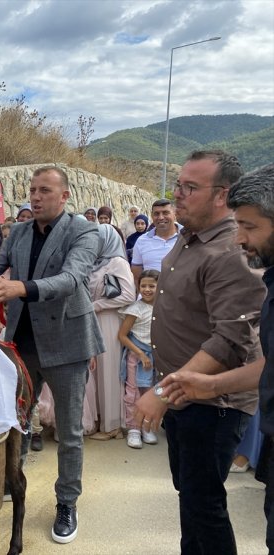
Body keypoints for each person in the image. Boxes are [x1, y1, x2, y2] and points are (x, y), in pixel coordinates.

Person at [134, 151, 266, 554]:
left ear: (222, 195)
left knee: (203, 503)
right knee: (191, 497)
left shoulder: (229, 250)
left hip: (212, 403)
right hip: (183, 395)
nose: (178, 194)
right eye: (178, 185)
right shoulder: (190, 238)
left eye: (190, 188)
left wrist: (161, 392)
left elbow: (229, 341)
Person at [0, 166, 103, 544]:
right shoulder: (17, 232)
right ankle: (12, 480)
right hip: (22, 346)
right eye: (33, 190)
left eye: (45, 190)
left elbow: (71, 279)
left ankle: (67, 501)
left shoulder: (83, 231)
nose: (36, 197)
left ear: (65, 196)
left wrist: (21, 287)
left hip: (68, 343)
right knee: (16, 421)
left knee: (68, 432)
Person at [86, 223, 135, 439]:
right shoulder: (94, 263)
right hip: (91, 321)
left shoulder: (118, 262)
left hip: (108, 321)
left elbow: (128, 295)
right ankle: (97, 419)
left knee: (108, 371)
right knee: (94, 373)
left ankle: (112, 426)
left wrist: (97, 305)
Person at [118, 269, 160, 449]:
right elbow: (122, 335)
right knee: (133, 392)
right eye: (143, 285)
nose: (147, 289)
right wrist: (141, 354)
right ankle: (133, 428)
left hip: (155, 357)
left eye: (152, 285)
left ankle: (147, 426)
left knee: (151, 392)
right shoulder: (136, 309)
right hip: (137, 357)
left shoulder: (162, 308)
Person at [130, 198, 181, 289]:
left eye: (165, 213)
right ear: (152, 216)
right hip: (150, 299)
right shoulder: (142, 241)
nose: (161, 217)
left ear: (175, 214)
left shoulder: (189, 237)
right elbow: (136, 277)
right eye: (156, 214)